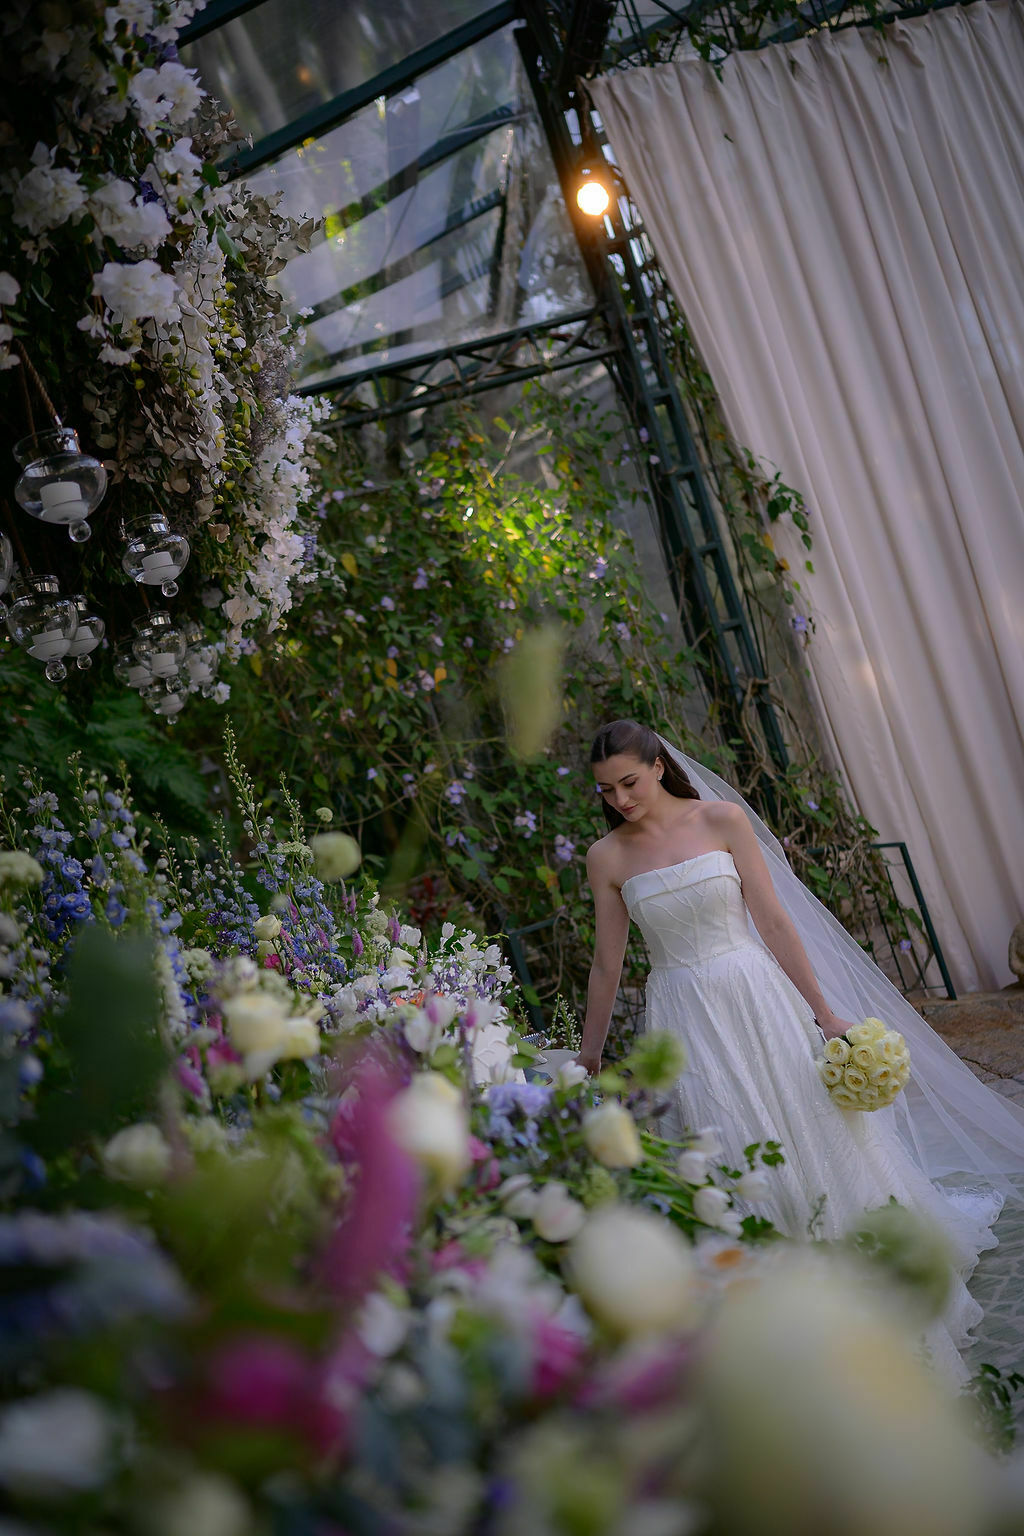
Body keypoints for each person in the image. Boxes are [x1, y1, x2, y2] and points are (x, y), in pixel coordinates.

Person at [577, 719, 1024, 1380]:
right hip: (684, 1016)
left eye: (629, 782)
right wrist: (587, 1057)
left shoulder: (722, 820)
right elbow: (606, 967)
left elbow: (774, 919)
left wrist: (823, 1011)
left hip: (757, 996)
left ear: (658, 765)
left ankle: (868, 1281)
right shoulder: (606, 858)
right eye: (607, 790)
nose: (620, 799)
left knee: (810, 1129)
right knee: (724, 1140)